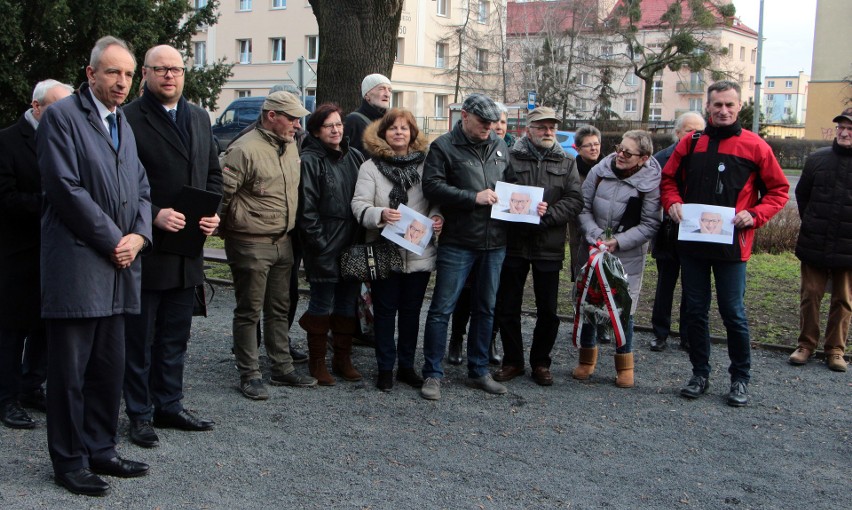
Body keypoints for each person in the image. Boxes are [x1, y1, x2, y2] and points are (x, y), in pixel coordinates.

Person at [37, 36, 152, 496]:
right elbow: (65, 190)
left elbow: (142, 187)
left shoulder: (122, 121)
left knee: (109, 367)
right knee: (69, 373)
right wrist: (113, 241)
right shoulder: (63, 117)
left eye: (127, 74)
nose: (121, 82)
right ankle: (69, 460)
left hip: (120, 269)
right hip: (81, 267)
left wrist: (140, 237)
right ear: (90, 75)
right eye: (112, 72)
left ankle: (101, 448)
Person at [661, 80, 789, 407]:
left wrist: (756, 215)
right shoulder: (692, 142)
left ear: (739, 106)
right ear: (708, 107)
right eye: (717, 105)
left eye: (729, 105)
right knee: (695, 311)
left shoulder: (755, 145)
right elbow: (668, 180)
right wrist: (672, 203)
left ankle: (739, 379)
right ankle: (699, 373)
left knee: (733, 313)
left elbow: (778, 190)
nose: (723, 110)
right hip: (692, 244)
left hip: (733, 247)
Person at [121, 45, 222, 446]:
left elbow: (213, 172)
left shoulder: (198, 116)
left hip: (189, 248)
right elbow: (122, 185)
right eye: (160, 69)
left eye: (176, 69)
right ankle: (140, 413)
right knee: (141, 337)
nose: (169, 76)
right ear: (144, 74)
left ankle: (170, 404)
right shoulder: (129, 118)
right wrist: (155, 214)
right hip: (149, 247)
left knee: (176, 335)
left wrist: (214, 212)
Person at [219, 91, 316, 401]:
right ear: (271, 116)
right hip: (250, 242)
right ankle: (249, 374)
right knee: (249, 310)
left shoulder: (289, 146)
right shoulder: (244, 149)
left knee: (280, 307)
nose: (298, 124)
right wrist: (224, 228)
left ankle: (282, 367)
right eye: (292, 118)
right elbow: (222, 195)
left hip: (283, 241)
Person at [420, 93, 516, 400]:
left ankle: (479, 370)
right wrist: (471, 197)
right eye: (483, 121)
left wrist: (526, 205)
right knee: (441, 309)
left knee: (486, 309)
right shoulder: (444, 146)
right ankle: (432, 374)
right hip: (459, 241)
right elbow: (431, 185)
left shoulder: (500, 146)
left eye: (493, 122)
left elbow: (510, 185)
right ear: (465, 116)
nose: (489, 126)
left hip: (495, 242)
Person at [351, 108, 443, 391]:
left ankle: (406, 366)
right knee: (385, 311)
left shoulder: (427, 165)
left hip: (418, 252)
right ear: (383, 133)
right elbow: (359, 205)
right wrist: (379, 214)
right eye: (393, 128)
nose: (399, 132)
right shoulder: (370, 167)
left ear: (413, 133)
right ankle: (385, 368)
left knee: (412, 312)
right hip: (383, 249)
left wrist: (439, 218)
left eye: (405, 128)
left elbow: (437, 198)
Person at [0, 79, 72, 430]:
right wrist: (50, 204)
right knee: (12, 329)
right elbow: (4, 197)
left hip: (57, 252)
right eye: (57, 108)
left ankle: (32, 386)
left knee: (46, 324)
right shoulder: (7, 141)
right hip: (18, 252)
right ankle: (7, 397)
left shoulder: (68, 140)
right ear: (37, 106)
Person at [492, 106, 582, 386]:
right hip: (514, 242)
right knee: (507, 306)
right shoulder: (509, 157)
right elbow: (498, 191)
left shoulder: (567, 161)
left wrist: (549, 214)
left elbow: (575, 199)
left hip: (549, 244)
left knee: (548, 310)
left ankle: (541, 362)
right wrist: (514, 212)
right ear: (528, 129)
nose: (548, 132)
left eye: (552, 127)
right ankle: (513, 361)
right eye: (541, 127)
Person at [574, 130, 662, 388]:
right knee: (589, 302)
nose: (619, 155)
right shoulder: (599, 171)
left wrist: (618, 242)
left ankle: (624, 363)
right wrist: (596, 236)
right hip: (592, 247)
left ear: (643, 158)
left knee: (623, 308)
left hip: (627, 255)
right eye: (619, 148)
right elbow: (583, 206)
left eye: (628, 152)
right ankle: (586, 358)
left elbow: (649, 224)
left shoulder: (652, 182)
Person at [298, 103, 366, 386]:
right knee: (322, 302)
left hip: (354, 240)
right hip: (325, 242)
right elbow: (307, 208)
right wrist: (320, 243)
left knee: (348, 304)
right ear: (316, 131)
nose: (336, 130)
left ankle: (342, 358)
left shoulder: (356, 157)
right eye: (329, 126)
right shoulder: (310, 160)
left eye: (339, 124)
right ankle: (317, 362)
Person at [788, 107, 852, 372]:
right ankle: (805, 344)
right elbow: (802, 195)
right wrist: (811, 222)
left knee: (843, 299)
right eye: (841, 128)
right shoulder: (817, 159)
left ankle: (836, 350)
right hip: (815, 241)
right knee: (810, 295)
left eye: (850, 129)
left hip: (849, 246)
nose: (844, 133)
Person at [649, 111, 705, 352]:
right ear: (678, 132)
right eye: (689, 130)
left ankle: (687, 335)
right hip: (667, 233)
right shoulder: (661, 158)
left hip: (696, 234)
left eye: (698, 131)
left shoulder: (707, 158)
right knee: (665, 285)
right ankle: (660, 333)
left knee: (692, 288)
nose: (693, 135)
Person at [569, 124, 611, 344]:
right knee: (581, 275)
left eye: (597, 144)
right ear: (578, 148)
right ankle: (582, 320)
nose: (594, 149)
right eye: (589, 145)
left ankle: (603, 323)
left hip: (604, 230)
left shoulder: (609, 168)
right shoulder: (572, 170)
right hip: (579, 230)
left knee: (605, 277)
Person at [344, 73, 392, 156]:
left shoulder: (391, 122)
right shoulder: (352, 121)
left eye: (389, 90)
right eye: (382, 89)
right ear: (367, 95)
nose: (387, 94)